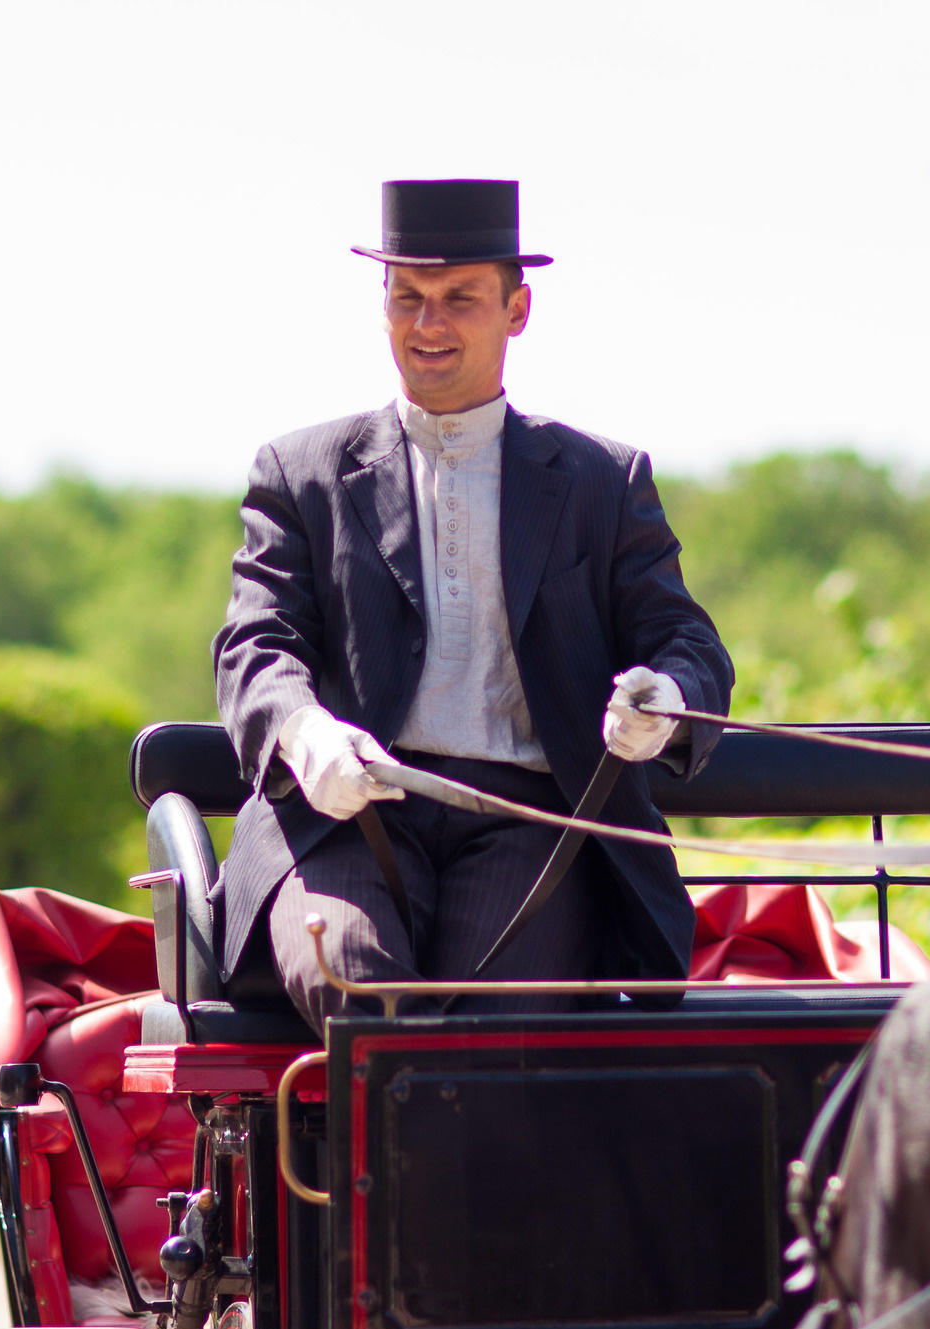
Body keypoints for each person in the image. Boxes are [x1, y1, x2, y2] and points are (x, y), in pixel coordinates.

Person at [213, 178, 733, 1027]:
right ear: (381, 306)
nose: (429, 325)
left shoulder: (603, 480)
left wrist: (664, 703)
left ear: (517, 309)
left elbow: (686, 640)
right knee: (360, 990)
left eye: (460, 299)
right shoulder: (299, 472)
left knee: (496, 1020)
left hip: (531, 824)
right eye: (407, 298)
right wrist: (306, 735)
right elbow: (255, 647)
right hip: (346, 816)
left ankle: (391, 1164)